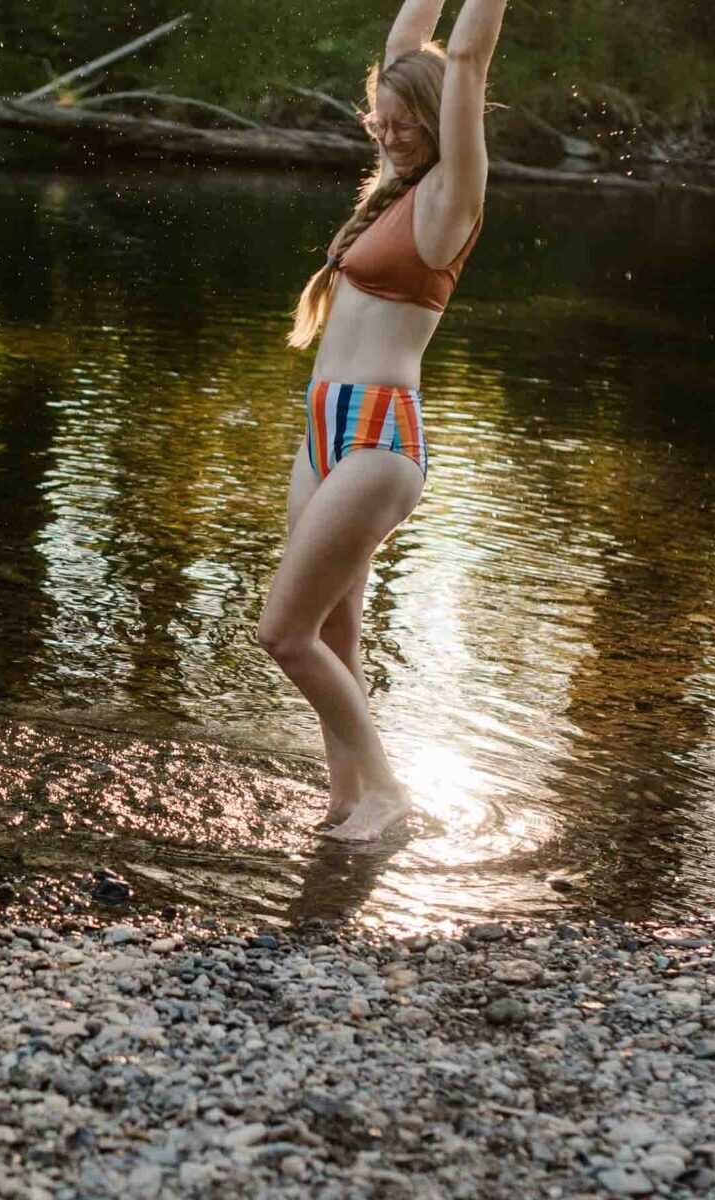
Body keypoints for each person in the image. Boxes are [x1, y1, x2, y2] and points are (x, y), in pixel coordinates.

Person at [258, 0, 506, 843]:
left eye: (404, 122)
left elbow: (464, 59)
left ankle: (391, 791)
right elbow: (409, 44)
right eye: (382, 119)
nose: (389, 133)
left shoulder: (450, 200)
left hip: (379, 437)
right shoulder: (395, 181)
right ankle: (345, 801)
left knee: (283, 632)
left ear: (437, 120)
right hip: (324, 429)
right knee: (334, 631)